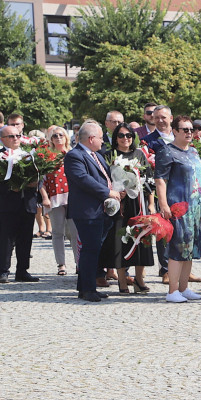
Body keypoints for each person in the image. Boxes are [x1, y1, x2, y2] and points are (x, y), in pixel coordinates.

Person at [65, 121, 123, 302]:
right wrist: (108, 192)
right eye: (100, 138)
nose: (102, 141)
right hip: (87, 211)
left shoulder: (95, 155)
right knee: (90, 250)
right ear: (91, 139)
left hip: (100, 211)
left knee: (93, 250)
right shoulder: (75, 156)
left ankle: (84, 286)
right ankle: (88, 289)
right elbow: (82, 179)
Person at [156, 115, 201, 303]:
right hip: (178, 206)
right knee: (178, 248)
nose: (189, 133)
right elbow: (160, 179)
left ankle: (184, 288)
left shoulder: (193, 152)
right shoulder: (167, 152)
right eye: (185, 129)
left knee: (190, 248)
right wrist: (163, 204)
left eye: (191, 129)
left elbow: (199, 180)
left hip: (195, 206)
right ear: (174, 131)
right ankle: (172, 290)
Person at [0, 125, 40, 284]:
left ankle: (22, 270)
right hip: (7, 204)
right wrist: (11, 185)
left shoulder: (29, 155)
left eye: (18, 135)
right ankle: (3, 271)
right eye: (11, 136)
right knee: (6, 240)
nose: (16, 139)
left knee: (25, 239)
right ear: (2, 139)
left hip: (27, 203)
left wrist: (35, 182)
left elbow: (39, 174)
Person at [109, 123, 154, 293]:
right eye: (121, 135)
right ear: (115, 138)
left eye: (128, 135)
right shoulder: (110, 155)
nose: (125, 139)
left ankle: (139, 279)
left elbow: (149, 180)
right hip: (120, 204)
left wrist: (150, 203)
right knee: (121, 240)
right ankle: (121, 280)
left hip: (139, 203)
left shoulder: (139, 154)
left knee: (142, 240)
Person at [40, 127, 78, 277]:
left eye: (61, 135)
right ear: (50, 139)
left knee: (75, 232)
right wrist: (44, 197)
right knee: (57, 232)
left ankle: (79, 262)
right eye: (54, 135)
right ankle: (61, 264)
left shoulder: (73, 154)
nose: (58, 138)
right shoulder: (46, 156)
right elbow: (41, 181)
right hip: (54, 197)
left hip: (72, 197)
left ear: (66, 137)